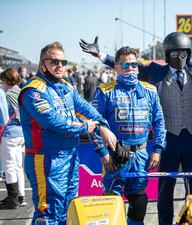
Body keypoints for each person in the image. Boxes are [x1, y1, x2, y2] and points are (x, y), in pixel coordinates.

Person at [80, 32, 192, 225]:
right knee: (165, 190)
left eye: (184, 53)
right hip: (168, 141)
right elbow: (128, 66)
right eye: (175, 53)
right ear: (167, 54)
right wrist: (100, 55)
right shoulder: (156, 71)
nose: (180, 57)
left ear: (189, 54)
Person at [19, 42, 116, 225]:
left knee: (69, 209)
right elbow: (52, 121)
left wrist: (102, 126)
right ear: (42, 64)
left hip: (70, 156)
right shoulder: (33, 91)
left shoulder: (66, 87)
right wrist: (84, 127)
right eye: (54, 62)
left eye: (63, 62)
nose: (60, 66)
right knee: (49, 213)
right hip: (46, 159)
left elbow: (87, 108)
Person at [92, 46, 166, 225]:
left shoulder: (150, 90)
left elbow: (160, 122)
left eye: (134, 64)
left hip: (141, 156)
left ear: (138, 67)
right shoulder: (104, 91)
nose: (130, 68)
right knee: (111, 206)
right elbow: (95, 126)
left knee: (139, 204)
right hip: (114, 157)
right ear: (116, 67)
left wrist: (157, 150)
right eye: (125, 65)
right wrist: (104, 154)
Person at [0, 68, 26, 209]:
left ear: (6, 81)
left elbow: (3, 117)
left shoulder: (6, 94)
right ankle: (21, 197)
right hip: (21, 133)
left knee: (9, 166)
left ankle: (13, 198)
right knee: (18, 166)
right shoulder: (22, 92)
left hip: (9, 133)